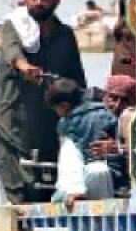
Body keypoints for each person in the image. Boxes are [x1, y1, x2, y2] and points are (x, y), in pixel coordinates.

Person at [0, 0, 87, 204]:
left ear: (56, 1)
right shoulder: (15, 26)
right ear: (26, 0)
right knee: (18, 200)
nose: (39, 2)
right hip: (13, 128)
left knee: (50, 197)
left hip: (51, 130)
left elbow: (77, 80)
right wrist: (25, 67)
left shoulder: (65, 35)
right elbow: (13, 53)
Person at [47, 78, 119, 208]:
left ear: (64, 106)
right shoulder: (107, 114)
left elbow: (72, 163)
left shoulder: (67, 124)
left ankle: (73, 192)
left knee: (69, 147)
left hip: (83, 180)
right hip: (112, 178)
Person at [87, 74, 136, 193]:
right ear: (104, 96)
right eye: (113, 98)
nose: (118, 105)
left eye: (125, 100)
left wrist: (118, 149)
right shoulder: (93, 119)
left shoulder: (134, 121)